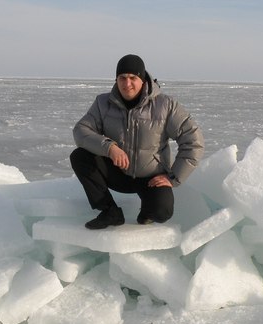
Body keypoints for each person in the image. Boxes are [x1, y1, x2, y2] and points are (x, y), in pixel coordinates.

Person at [70, 54, 204, 229]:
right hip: (117, 173)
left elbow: (193, 140)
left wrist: (173, 178)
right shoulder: (103, 103)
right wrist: (109, 148)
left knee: (161, 212)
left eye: (133, 78)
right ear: (116, 79)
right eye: (122, 78)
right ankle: (109, 211)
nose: (127, 84)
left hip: (151, 178)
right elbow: (81, 131)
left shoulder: (165, 105)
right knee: (80, 156)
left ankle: (147, 212)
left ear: (143, 79)